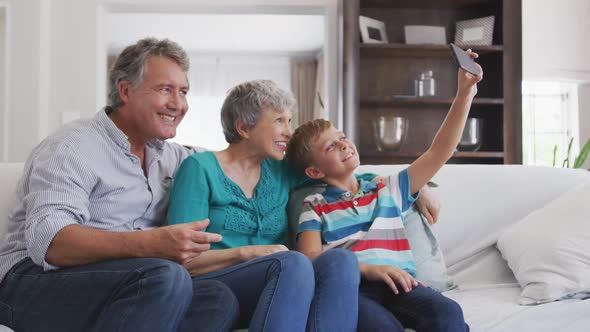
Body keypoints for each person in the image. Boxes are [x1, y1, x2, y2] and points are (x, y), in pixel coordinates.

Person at [0, 38, 240, 332]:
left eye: (184, 92)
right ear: (126, 91)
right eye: (166, 90)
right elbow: (50, 243)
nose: (179, 104)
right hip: (29, 281)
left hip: (117, 280)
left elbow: (232, 161)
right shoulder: (73, 146)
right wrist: (153, 244)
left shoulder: (170, 156)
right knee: (166, 276)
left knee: (217, 298)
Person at [285, 50, 483, 331]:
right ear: (315, 172)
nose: (343, 144)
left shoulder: (385, 188)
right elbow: (310, 260)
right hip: (356, 291)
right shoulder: (313, 205)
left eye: (342, 138)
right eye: (330, 146)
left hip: (403, 284)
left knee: (448, 313)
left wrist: (465, 94)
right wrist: (366, 269)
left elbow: (440, 151)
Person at [167, 80, 363, 331]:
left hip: (281, 284)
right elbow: (182, 260)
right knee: (293, 262)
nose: (289, 132)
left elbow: (339, 173)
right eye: (279, 121)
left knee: (341, 261)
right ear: (243, 127)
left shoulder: (281, 169)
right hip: (216, 286)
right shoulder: (199, 168)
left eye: (289, 121)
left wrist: (408, 185)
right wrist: (247, 253)